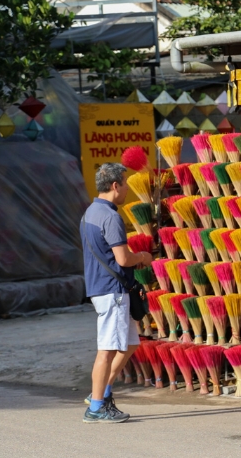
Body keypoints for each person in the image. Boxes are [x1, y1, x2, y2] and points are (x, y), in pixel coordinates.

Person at [80, 163, 153, 423]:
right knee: (107, 350)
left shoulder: (90, 212)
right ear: (114, 186)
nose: (126, 190)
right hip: (113, 291)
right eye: (125, 184)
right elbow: (123, 259)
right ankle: (96, 407)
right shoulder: (111, 216)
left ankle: (100, 393)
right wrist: (143, 256)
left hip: (101, 288)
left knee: (130, 344)